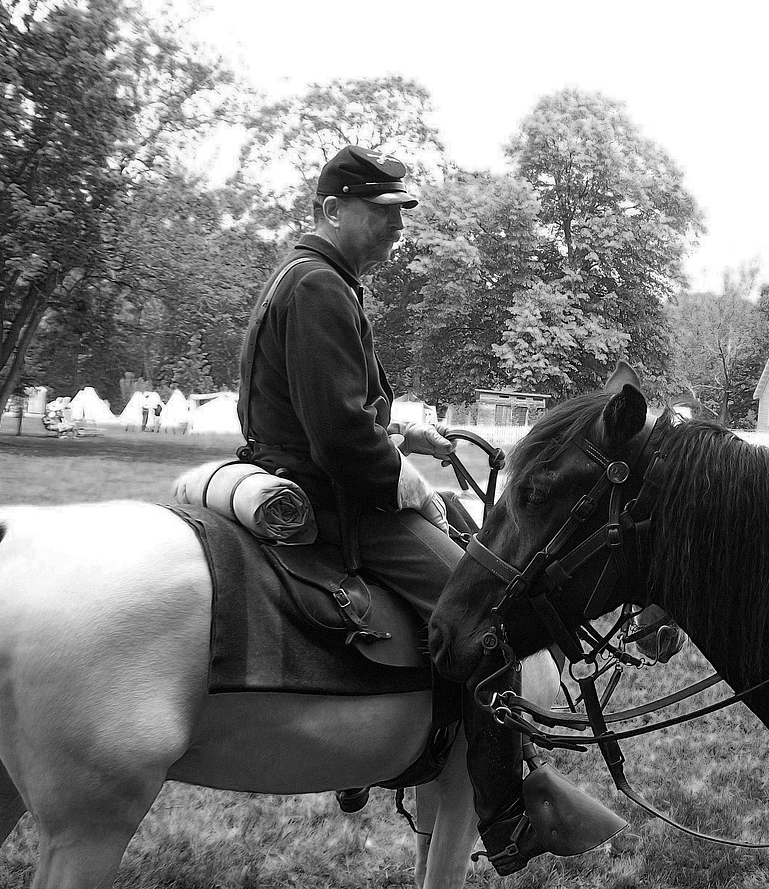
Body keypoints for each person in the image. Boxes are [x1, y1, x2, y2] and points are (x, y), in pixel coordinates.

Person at [237, 143, 622, 875]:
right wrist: (403, 479)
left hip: (311, 478)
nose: (397, 227)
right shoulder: (320, 287)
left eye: (401, 213)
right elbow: (338, 438)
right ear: (332, 210)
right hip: (340, 505)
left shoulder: (308, 276)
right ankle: (506, 816)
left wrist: (402, 434)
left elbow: (323, 413)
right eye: (382, 212)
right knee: (490, 619)